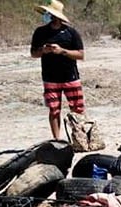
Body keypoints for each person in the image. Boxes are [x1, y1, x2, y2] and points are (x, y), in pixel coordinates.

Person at [30, 1, 85, 140]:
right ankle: (57, 140)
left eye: (49, 13)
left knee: (77, 109)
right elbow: (33, 53)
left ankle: (80, 138)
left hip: (70, 77)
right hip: (50, 78)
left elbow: (81, 55)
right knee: (54, 110)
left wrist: (62, 51)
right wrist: (43, 50)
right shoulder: (40, 32)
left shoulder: (71, 32)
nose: (47, 15)